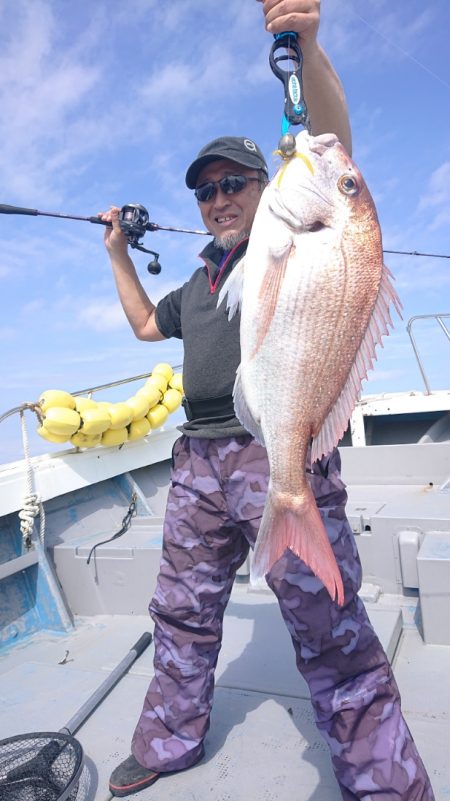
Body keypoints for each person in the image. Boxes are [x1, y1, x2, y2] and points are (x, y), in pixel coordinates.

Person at [101, 1, 435, 798]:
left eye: (232, 184)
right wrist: (117, 252)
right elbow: (148, 325)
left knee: (331, 630)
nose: (217, 199)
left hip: (277, 452)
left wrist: (308, 48)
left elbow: (332, 145)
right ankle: (169, 739)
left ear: (269, 183)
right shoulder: (199, 281)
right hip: (197, 467)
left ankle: (385, 783)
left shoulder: (293, 242)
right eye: (205, 192)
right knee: (180, 612)